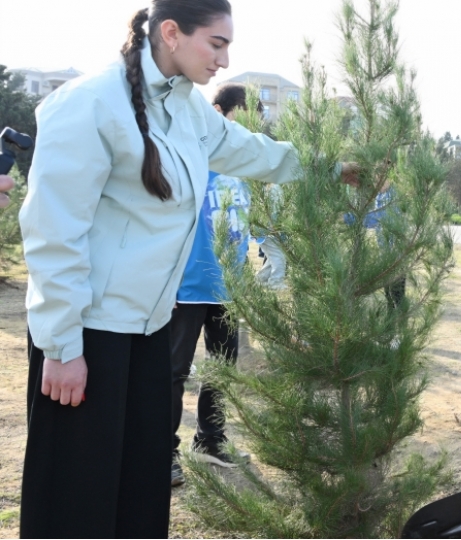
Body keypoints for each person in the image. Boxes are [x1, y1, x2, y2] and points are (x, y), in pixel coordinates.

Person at [18, 2, 354, 536]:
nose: (224, 60)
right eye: (217, 44)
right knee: (77, 500)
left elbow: (255, 153)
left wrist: (337, 168)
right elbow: (53, 235)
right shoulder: (87, 104)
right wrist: (62, 348)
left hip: (149, 328)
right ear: (171, 33)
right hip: (88, 334)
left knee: (141, 490)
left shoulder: (188, 109)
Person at [169, 82, 257, 487]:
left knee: (222, 371)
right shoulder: (192, 156)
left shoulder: (244, 166)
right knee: (173, 372)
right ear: (218, 113)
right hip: (187, 288)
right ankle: (161, 451)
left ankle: (210, 441)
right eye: (244, 115)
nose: (250, 126)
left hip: (229, 289)